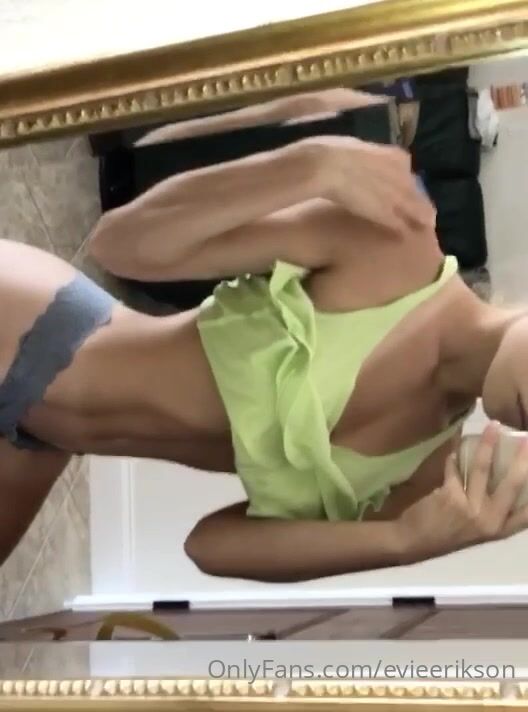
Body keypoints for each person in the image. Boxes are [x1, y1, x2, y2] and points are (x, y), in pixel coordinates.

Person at [1, 89, 528, 584]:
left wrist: (403, 542)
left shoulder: (429, 477)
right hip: (35, 331)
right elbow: (117, 245)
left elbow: (209, 545)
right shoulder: (395, 251)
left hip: (44, 445)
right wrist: (311, 166)